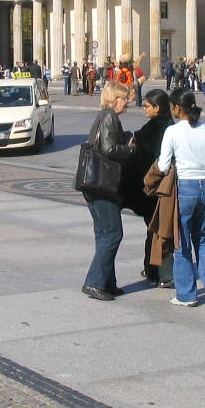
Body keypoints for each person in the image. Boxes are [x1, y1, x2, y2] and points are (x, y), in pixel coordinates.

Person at [157, 87, 205, 307]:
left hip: (185, 187)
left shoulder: (173, 132)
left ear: (176, 107)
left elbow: (163, 165)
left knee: (181, 242)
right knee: (202, 238)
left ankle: (186, 294)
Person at [80, 80, 137, 301]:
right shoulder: (109, 117)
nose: (128, 102)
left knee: (103, 234)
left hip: (94, 184)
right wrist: (129, 148)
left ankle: (107, 282)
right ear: (114, 99)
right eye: (124, 98)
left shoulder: (103, 117)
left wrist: (122, 138)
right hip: (103, 184)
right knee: (113, 233)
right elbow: (109, 149)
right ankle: (94, 282)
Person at [124, 88, 175, 288]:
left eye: (147, 106)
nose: (144, 109)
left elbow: (141, 157)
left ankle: (159, 272)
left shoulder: (153, 130)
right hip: (166, 187)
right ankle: (154, 269)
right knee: (158, 229)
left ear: (157, 107)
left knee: (156, 230)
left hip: (154, 187)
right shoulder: (170, 126)